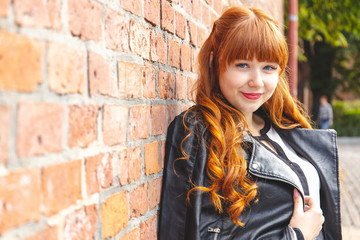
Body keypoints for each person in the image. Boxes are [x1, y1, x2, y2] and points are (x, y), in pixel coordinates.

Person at [158, 6, 341, 240]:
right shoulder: (199, 132)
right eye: (242, 65)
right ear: (216, 63)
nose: (257, 82)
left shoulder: (283, 129)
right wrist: (297, 236)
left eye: (268, 68)